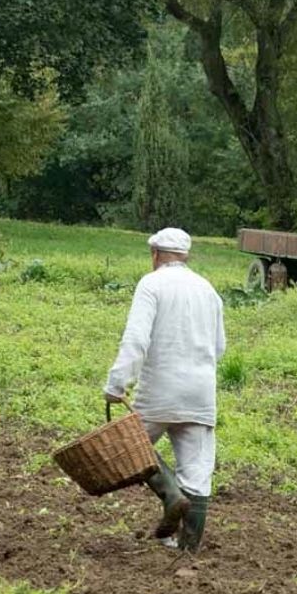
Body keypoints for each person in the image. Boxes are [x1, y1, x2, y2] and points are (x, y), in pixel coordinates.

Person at [104, 227, 225, 552]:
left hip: (159, 389)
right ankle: (187, 549)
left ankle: (171, 495)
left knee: (131, 448)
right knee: (197, 470)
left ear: (155, 254)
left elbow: (136, 340)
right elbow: (219, 347)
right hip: (201, 393)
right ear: (185, 256)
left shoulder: (151, 283)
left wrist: (117, 384)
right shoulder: (207, 289)